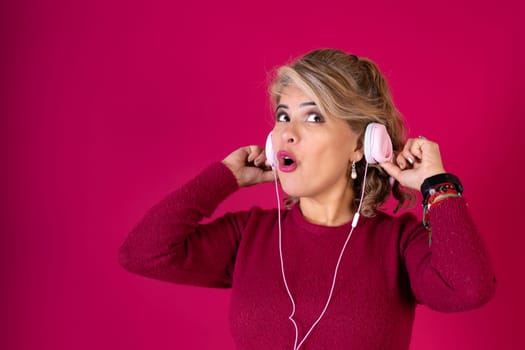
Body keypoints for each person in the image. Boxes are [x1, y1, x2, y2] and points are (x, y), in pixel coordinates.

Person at [119, 49, 496, 350]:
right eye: (283, 116)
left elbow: (469, 287)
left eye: (313, 118)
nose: (287, 133)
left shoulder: (397, 244)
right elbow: (143, 253)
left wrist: (437, 185)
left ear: (360, 145)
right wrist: (224, 177)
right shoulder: (250, 235)